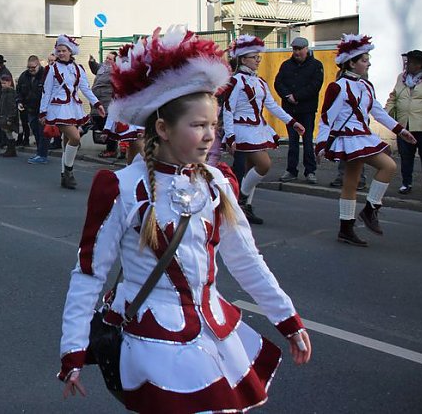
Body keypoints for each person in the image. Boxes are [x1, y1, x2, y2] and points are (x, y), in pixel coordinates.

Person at [60, 27, 311, 412]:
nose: (210, 136)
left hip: (214, 332)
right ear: (162, 128)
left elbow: (245, 258)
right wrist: (73, 349)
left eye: (213, 125)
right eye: (198, 126)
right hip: (154, 341)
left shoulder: (218, 182)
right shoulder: (122, 187)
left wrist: (287, 318)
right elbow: (91, 272)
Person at [315, 34, 417, 246]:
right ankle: (357, 220)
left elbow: (378, 112)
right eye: (364, 59)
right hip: (349, 139)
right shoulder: (338, 87)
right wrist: (321, 144)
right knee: (364, 177)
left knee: (369, 175)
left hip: (363, 136)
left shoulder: (366, 86)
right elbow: (326, 118)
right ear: (351, 62)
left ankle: (362, 216)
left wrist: (400, 131)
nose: (368, 62)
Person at [222, 35, 305, 225]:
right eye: (254, 57)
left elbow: (273, 106)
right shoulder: (236, 81)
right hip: (242, 129)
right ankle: (240, 201)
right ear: (243, 59)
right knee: (264, 164)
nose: (258, 60)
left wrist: (292, 122)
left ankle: (245, 207)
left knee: (251, 168)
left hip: (258, 129)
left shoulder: (259, 82)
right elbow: (228, 109)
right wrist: (230, 136)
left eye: (259, 57)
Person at [40, 36, 105, 189]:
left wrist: (97, 103)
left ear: (71, 52)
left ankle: (64, 175)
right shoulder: (52, 69)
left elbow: (85, 89)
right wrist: (43, 112)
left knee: (66, 143)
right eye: (59, 51)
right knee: (75, 137)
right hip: (58, 109)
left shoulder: (78, 68)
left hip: (73, 108)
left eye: (64, 51)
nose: (61, 53)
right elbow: (46, 91)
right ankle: (69, 171)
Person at [385, 49, 422, 198]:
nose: (407, 65)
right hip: (404, 124)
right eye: (407, 61)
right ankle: (406, 184)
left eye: (411, 62)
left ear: (420, 65)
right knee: (406, 156)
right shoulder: (401, 78)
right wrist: (385, 113)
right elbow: (393, 97)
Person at [274, 36, 324, 184]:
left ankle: (310, 171)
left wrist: (297, 96)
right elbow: (278, 83)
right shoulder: (286, 65)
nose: (296, 52)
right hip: (290, 110)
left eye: (299, 49)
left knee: (308, 141)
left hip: (307, 110)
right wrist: (287, 96)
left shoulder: (316, 65)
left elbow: (315, 85)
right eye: (294, 49)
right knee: (293, 142)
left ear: (306, 49)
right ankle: (291, 170)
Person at [16, 55, 48, 164]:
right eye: (29, 67)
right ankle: (40, 153)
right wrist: (19, 101)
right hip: (30, 109)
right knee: (35, 131)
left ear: (38, 65)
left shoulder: (45, 75)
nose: (31, 70)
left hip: (43, 110)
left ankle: (42, 155)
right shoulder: (24, 76)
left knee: (43, 133)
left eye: (33, 67)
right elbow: (19, 91)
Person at [89, 52, 119, 158]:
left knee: (108, 126)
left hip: (107, 102)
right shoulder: (102, 67)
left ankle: (111, 149)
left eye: (110, 59)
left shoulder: (115, 70)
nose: (107, 60)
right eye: (106, 58)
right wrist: (91, 61)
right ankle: (108, 147)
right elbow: (95, 68)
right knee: (99, 124)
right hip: (97, 102)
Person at [0, 73, 20, 158]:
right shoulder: (4, 92)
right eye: (2, 83)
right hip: (4, 115)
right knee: (7, 132)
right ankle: (10, 149)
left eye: (4, 83)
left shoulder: (10, 93)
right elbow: (1, 105)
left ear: (9, 83)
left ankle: (11, 150)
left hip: (8, 117)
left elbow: (12, 107)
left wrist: (10, 118)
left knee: (9, 132)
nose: (3, 85)